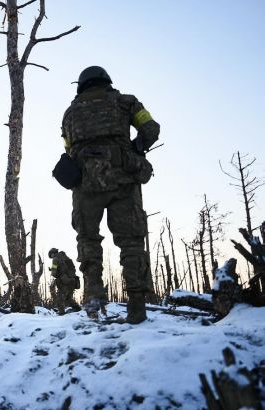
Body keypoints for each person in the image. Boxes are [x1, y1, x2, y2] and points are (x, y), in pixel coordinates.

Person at [59, 66, 160, 324]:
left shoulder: (69, 114)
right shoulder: (126, 102)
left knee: (88, 239)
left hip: (85, 186)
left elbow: (69, 148)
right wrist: (136, 149)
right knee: (132, 243)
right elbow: (151, 129)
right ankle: (137, 305)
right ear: (106, 81)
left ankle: (93, 293)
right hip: (123, 182)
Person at [48, 248, 81, 315]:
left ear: (53, 253)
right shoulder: (66, 257)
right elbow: (68, 268)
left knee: (60, 298)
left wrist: (53, 272)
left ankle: (61, 313)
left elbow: (54, 272)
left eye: (51, 255)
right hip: (73, 280)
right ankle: (77, 308)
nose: (51, 257)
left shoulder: (55, 259)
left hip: (64, 282)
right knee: (68, 298)